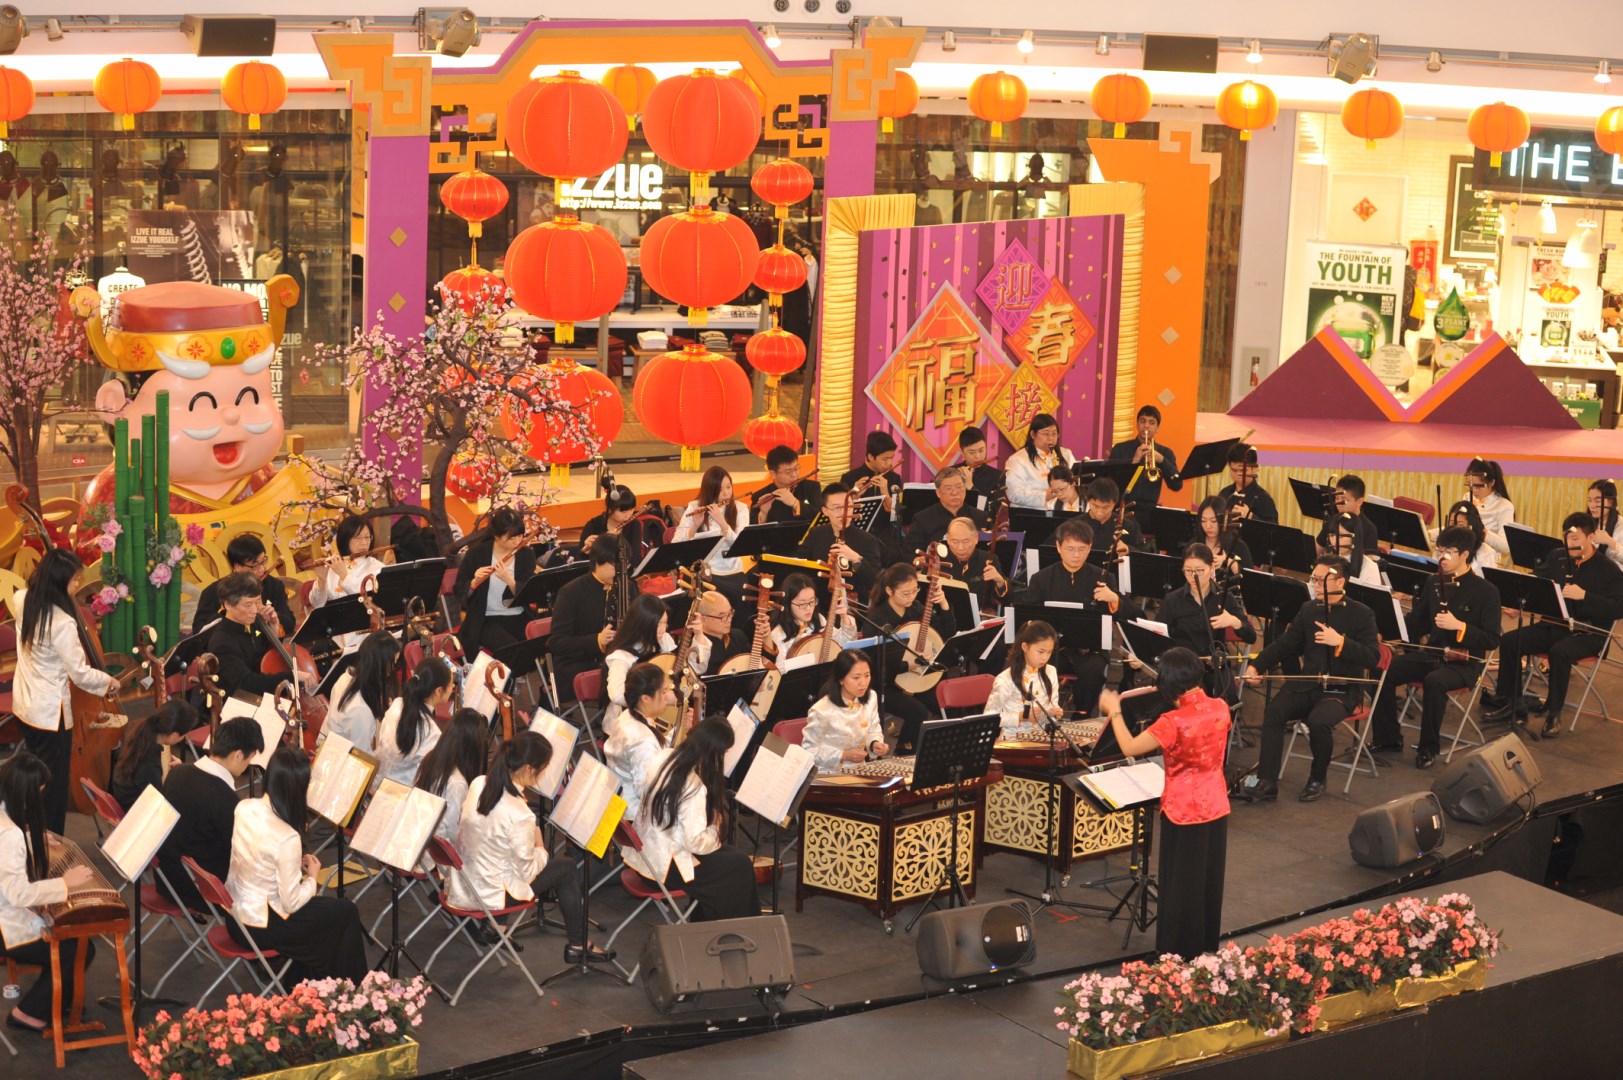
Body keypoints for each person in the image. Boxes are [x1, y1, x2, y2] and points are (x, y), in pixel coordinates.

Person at [1099, 647, 1230, 960]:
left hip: (1183, 809)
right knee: (1207, 881)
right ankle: (1204, 948)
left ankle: (1175, 953)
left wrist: (1114, 710)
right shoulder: (1221, 707)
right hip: (1216, 803)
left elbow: (1130, 745)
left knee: (1180, 884)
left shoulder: (1172, 721)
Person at [451, 733, 610, 962]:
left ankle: (496, 928)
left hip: (464, 881)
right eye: (542, 769)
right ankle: (578, 944)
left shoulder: (479, 783)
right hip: (490, 895)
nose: (543, 774)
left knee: (503, 853)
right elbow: (528, 872)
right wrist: (540, 843)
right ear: (527, 768)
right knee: (566, 868)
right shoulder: (520, 814)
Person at [1241, 555, 1380, 803]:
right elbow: (1286, 645)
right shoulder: (1309, 609)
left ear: (1340, 581)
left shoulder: (1362, 614)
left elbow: (1372, 657)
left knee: (1318, 722)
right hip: (1307, 684)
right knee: (1273, 712)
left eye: (1320, 580)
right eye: (1313, 579)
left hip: (1341, 689)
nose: (1314, 585)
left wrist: (1342, 643)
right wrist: (1257, 665)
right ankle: (1266, 780)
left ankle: (1317, 778)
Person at [226, 746, 369, 983]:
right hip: (259, 926)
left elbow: (260, 858)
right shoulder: (287, 838)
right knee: (345, 912)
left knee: (333, 914)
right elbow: (291, 903)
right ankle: (352, 987)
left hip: (234, 914)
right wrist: (312, 877)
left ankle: (314, 979)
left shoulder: (244, 807)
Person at [1368, 528, 1501, 769]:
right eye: (1440, 550)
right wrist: (1387, 630)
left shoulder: (1486, 591)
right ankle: (1388, 737)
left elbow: (1492, 639)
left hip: (1464, 662)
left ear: (1465, 554)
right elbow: (1416, 622)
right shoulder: (1432, 582)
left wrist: (1460, 626)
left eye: (1449, 552)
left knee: (1435, 681)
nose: (1442, 557)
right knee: (1382, 669)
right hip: (1432, 655)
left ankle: (1429, 747)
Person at [1485, 513, 1623, 736]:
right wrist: (1516, 603)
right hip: (1553, 626)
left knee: (1560, 652)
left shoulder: (1609, 570)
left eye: (1576, 539)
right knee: (1510, 641)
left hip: (1587, 633)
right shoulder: (1557, 557)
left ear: (1591, 539)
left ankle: (1554, 714)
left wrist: (1585, 596)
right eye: (1567, 538)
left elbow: (1618, 608)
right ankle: (1514, 705)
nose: (1570, 544)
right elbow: (1534, 582)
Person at [14, 548, 120, 833]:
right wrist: (108, 681)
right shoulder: (62, 623)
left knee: (36, 772)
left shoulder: (21, 598)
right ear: (59, 582)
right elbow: (81, 674)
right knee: (54, 784)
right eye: (74, 581)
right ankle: (50, 840)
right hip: (51, 713)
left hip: (24, 703)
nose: (77, 586)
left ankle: (27, 825)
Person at [0, 751, 99, 1033]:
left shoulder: (6, 816)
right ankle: (28, 1013)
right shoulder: (9, 835)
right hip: (3, 927)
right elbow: (17, 894)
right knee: (77, 947)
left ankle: (60, 997)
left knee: (70, 941)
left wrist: (32, 837)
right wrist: (65, 883)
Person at [633, 718, 760, 922]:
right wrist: (714, 827)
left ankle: (710, 920)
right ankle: (740, 928)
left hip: (645, 857)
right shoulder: (693, 786)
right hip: (665, 869)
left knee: (734, 859)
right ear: (713, 753)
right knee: (740, 865)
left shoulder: (663, 756)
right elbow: (696, 844)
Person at [1018, 518, 1138, 713]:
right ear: (1058, 546)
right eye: (1070, 549)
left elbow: (1129, 615)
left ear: (1090, 548)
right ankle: (1044, 714)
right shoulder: (1041, 578)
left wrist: (1113, 598)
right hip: (1054, 649)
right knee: (1041, 666)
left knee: (1093, 672)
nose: (1076, 555)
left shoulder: (1104, 577)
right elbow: (1027, 617)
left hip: (1090, 651)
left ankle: (1081, 718)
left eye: (1081, 549)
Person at [158, 716, 264, 913]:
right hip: (201, 891)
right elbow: (241, 855)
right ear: (238, 755)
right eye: (250, 758)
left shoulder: (177, 772)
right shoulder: (225, 800)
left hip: (166, 877)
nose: (249, 765)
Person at [868, 562, 958, 750]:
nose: (911, 597)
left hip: (916, 678)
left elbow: (947, 635)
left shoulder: (917, 609)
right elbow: (875, 663)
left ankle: (943, 749)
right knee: (917, 711)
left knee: (951, 702)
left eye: (915, 591)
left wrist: (944, 604)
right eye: (905, 593)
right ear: (889, 591)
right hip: (888, 683)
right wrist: (908, 666)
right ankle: (904, 750)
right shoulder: (876, 619)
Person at [1155, 544, 1254, 697]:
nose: (1193, 576)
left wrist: (1234, 622)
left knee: (1228, 700)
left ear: (1211, 568)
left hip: (1214, 665)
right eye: (1188, 570)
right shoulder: (1172, 600)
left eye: (1200, 570)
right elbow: (1157, 636)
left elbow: (1251, 636)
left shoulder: (1225, 597)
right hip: (1183, 667)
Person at [207, 571, 320, 698]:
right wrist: (292, 677)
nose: (255, 610)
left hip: (265, 695)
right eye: (248, 604)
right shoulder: (222, 642)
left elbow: (270, 657)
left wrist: (274, 626)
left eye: (257, 602)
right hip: (242, 701)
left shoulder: (255, 623)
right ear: (228, 604)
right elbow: (247, 683)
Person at [603, 594, 709, 728]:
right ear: (643, 624)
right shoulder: (622, 656)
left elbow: (697, 669)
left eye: (665, 623)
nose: (663, 629)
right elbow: (617, 695)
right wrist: (662, 698)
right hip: (631, 725)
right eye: (658, 624)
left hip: (666, 718)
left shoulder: (664, 640)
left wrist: (699, 634)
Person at [414, 708, 489, 866]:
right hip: (438, 855)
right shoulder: (457, 783)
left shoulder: (431, 758)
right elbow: (454, 831)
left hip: (421, 839)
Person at [456, 507, 537, 653]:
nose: (518, 541)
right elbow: (459, 589)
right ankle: (511, 675)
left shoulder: (526, 555)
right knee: (511, 649)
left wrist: (510, 582)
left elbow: (530, 593)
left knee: (541, 644)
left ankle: (518, 674)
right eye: (511, 538)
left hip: (518, 615)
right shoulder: (476, 554)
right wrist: (474, 582)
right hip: (486, 618)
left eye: (520, 536)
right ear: (496, 536)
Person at [550, 535, 620, 703]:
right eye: (615, 566)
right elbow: (557, 643)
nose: (620, 572)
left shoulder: (627, 586)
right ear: (598, 562)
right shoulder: (571, 592)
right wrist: (598, 640)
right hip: (579, 661)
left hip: (616, 657)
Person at [309, 514, 387, 653]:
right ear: (345, 540)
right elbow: (317, 604)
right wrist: (321, 579)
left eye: (367, 537)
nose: (364, 543)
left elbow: (369, 600)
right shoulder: (335, 564)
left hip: (365, 634)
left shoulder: (377, 568)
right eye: (358, 538)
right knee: (317, 650)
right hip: (335, 635)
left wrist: (344, 575)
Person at [605, 662, 672, 820]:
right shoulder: (642, 740)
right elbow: (647, 791)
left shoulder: (628, 715)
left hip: (620, 801)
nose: (667, 697)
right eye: (663, 692)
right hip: (636, 815)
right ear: (646, 698)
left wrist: (679, 731)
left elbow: (655, 748)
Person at [796, 482, 884, 603]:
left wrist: (857, 559)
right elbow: (799, 567)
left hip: (853, 607)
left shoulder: (867, 540)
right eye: (837, 508)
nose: (844, 513)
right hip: (818, 602)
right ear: (825, 511)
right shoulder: (816, 534)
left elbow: (875, 583)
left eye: (848, 506)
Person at [192, 534, 295, 637]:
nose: (262, 569)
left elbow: (290, 624)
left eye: (263, 561)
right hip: (231, 649)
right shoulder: (213, 592)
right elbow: (199, 633)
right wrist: (228, 610)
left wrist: (271, 616)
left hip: (267, 649)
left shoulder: (274, 585)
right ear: (237, 566)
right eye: (255, 566)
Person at [671, 466, 751, 598]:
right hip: (701, 571)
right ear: (710, 491)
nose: (726, 493)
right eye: (720, 490)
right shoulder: (695, 507)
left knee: (744, 598)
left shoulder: (741, 509)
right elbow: (676, 542)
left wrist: (723, 523)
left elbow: (740, 546)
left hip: (731, 571)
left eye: (728, 487)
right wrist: (694, 527)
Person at [803, 651, 889, 772]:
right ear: (841, 679)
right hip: (827, 774)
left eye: (867, 675)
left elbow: (873, 728)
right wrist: (843, 755)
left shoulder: (871, 697)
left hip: (859, 769)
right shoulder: (822, 710)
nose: (863, 683)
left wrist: (875, 744)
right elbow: (808, 750)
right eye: (856, 677)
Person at [375, 658, 453, 789]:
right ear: (439, 691)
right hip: (402, 796)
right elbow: (428, 778)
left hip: (377, 782)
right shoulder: (432, 734)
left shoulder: (397, 705)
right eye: (451, 684)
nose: (453, 687)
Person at [110, 699, 198, 812]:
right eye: (184, 735)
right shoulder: (150, 764)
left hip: (125, 795)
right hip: (137, 812)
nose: (184, 738)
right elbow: (158, 805)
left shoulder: (142, 731)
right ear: (174, 735)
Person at [327, 631, 401, 751]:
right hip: (344, 760)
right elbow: (362, 756)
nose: (392, 669)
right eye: (393, 663)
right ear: (379, 664)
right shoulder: (360, 708)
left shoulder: (347, 677)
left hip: (334, 747)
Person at [985, 621, 1063, 733]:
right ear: (1025, 647)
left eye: (1049, 652)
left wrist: (1053, 713)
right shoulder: (1005, 679)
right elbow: (989, 718)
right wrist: (1020, 717)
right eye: (1040, 652)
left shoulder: (1050, 671)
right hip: (1012, 740)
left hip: (1041, 735)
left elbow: (1052, 706)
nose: (1045, 657)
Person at [1108, 404, 1183, 516]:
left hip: (1149, 512)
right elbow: (1111, 484)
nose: (1146, 426)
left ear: (1158, 428)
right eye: (1143, 421)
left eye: (1151, 423)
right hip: (1122, 508)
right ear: (1137, 424)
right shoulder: (1120, 449)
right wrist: (1135, 461)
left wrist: (1162, 460)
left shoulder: (1166, 453)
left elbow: (1177, 485)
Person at [768, 572, 856, 664]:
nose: (809, 608)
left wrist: (844, 617)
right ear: (787, 603)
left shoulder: (818, 620)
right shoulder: (779, 634)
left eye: (812, 601)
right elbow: (779, 670)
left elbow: (844, 643)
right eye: (802, 604)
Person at [907, 467, 987, 553]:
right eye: (948, 488)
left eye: (959, 487)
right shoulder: (922, 519)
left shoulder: (980, 516)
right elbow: (910, 553)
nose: (955, 492)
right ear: (938, 492)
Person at [940, 516, 1009, 616]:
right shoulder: (937, 560)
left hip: (978, 618)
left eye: (965, 541)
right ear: (948, 539)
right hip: (945, 618)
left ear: (976, 538)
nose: (960, 548)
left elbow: (1006, 600)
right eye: (955, 542)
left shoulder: (988, 559)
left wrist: (1000, 581)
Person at [1004, 413, 1074, 509]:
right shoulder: (1018, 459)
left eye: (1054, 434)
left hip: (1063, 511)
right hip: (1031, 515)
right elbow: (1014, 493)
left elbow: (1076, 481)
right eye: (1046, 434)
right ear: (1033, 434)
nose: (1051, 438)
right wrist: (1046, 495)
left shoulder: (1066, 454)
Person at [841, 430, 905, 529]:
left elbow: (897, 516)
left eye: (891, 458)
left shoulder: (894, 479)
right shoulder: (849, 478)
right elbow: (841, 515)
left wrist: (886, 494)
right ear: (871, 457)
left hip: (887, 538)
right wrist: (853, 497)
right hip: (858, 535)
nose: (889, 463)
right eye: (885, 459)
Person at [1464, 457, 1514, 569]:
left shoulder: (1504, 506)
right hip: (1465, 556)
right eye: (1470, 485)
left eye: (1478, 486)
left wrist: (1483, 533)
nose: (1474, 490)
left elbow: (1506, 546)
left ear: (1491, 482)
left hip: (1488, 563)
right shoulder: (1468, 497)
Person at [752, 445, 821, 524]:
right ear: (773, 474)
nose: (794, 475)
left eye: (796, 468)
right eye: (788, 472)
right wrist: (763, 513)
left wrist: (795, 503)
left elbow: (822, 516)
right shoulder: (759, 496)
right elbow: (751, 531)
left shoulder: (812, 487)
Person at [1084, 477, 1147, 556]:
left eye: (1106, 507)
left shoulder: (1129, 526)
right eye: (1095, 506)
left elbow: (1144, 554)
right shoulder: (1075, 525)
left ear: (1115, 503)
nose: (1099, 512)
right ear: (1088, 500)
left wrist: (1128, 549)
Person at [1315, 475, 1379, 553]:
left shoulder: (1369, 528)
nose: (1338, 503)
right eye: (1336, 498)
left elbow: (1369, 560)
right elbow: (1317, 550)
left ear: (1359, 501)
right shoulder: (1332, 520)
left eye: (1344, 500)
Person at [1217, 443, 1277, 524]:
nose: (1238, 474)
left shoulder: (1264, 498)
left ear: (1255, 469)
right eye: (1234, 470)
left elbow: (1273, 531)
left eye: (1243, 470)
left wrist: (1251, 517)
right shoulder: (1225, 493)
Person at [694, 590, 751, 673]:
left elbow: (755, 667)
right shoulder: (696, 645)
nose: (729, 619)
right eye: (723, 616)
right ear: (703, 619)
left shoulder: (738, 636)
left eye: (730, 613)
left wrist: (766, 637)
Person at [1429, 500, 1489, 575]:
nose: (1455, 529)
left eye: (1460, 525)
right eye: (1451, 523)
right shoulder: (1441, 547)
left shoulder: (1486, 553)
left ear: (1471, 526)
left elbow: (1485, 584)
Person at [1195, 496, 1252, 573]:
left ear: (1225, 521)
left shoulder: (1238, 546)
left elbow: (1250, 580)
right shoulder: (1194, 544)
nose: (1208, 526)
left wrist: (1230, 562)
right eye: (1203, 521)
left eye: (1213, 521)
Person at [579, 484, 641, 554]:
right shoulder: (593, 525)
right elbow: (579, 559)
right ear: (609, 509)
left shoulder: (635, 524)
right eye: (623, 512)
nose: (629, 514)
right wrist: (587, 552)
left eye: (632, 509)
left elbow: (636, 559)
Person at [1327, 512, 1384, 587]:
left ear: (1354, 537)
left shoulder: (1369, 567)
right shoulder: (1325, 561)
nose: (1334, 541)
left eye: (1341, 536)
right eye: (1331, 535)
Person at [958, 426, 1002, 501]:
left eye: (981, 450)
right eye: (971, 452)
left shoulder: (998, 476)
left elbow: (990, 510)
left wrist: (970, 487)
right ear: (962, 453)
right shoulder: (951, 472)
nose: (977, 456)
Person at [1589, 479, 1623, 568]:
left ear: (1611, 502)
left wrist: (1610, 542)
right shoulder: (1589, 523)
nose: (1592, 505)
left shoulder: (1621, 525)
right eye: (1589, 500)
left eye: (1597, 501)